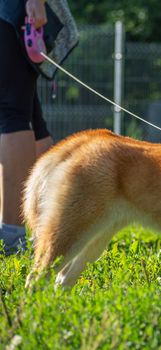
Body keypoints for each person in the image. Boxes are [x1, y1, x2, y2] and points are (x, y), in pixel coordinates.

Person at [0, 0, 78, 255]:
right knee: (27, 112)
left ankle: (13, 234)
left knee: (13, 112)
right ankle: (47, 222)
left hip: (12, 11)